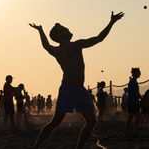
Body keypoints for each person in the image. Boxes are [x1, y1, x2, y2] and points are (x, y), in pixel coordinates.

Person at [30, 11, 124, 149]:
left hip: (80, 90)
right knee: (55, 122)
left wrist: (40, 30)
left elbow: (46, 45)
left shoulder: (69, 47)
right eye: (64, 29)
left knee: (91, 121)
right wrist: (112, 22)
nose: (68, 29)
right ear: (59, 36)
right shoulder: (71, 47)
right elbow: (99, 38)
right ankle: (36, 146)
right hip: (68, 89)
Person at [125, 67, 141, 134]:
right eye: (138, 72)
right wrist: (141, 98)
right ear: (135, 73)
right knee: (135, 116)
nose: (140, 73)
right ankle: (134, 130)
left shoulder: (132, 81)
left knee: (131, 117)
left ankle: (127, 130)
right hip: (133, 102)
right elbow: (135, 92)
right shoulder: (133, 81)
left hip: (131, 101)